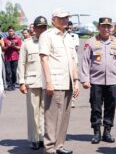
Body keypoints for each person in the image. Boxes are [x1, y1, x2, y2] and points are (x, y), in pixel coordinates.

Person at [81, 18, 116, 144]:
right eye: (103, 26)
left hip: (112, 81)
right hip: (96, 81)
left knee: (110, 107)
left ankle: (107, 131)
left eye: (108, 26)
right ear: (98, 27)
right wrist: (85, 79)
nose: (106, 29)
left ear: (111, 28)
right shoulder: (91, 42)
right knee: (96, 108)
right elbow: (85, 61)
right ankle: (96, 132)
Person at [39, 8, 80, 154]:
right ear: (53, 20)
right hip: (55, 83)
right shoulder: (47, 35)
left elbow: (73, 61)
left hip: (68, 82)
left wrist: (76, 81)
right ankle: (49, 147)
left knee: (64, 116)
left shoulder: (68, 37)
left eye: (66, 18)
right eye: (61, 18)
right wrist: (49, 82)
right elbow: (44, 59)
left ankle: (59, 145)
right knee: (52, 117)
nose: (64, 20)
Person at [17, 16, 48, 150]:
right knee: (33, 112)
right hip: (32, 81)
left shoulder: (50, 42)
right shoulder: (27, 43)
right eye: (39, 27)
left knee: (44, 112)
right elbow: (22, 63)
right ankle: (34, 138)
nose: (41, 30)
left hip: (47, 83)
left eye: (44, 27)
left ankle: (42, 138)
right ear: (34, 29)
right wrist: (22, 82)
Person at [2, 26, 22, 91]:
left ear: (14, 31)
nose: (10, 32)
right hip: (7, 58)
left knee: (14, 72)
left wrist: (14, 46)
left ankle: (13, 84)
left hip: (15, 57)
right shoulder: (5, 39)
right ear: (8, 32)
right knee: (8, 72)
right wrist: (8, 46)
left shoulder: (18, 39)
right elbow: (3, 49)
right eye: (9, 31)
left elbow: (20, 48)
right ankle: (9, 85)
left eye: (12, 31)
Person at [66, 21, 79, 108]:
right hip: (64, 61)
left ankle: (72, 100)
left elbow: (76, 48)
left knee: (73, 80)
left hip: (73, 60)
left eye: (71, 28)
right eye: (68, 28)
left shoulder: (75, 36)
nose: (69, 30)